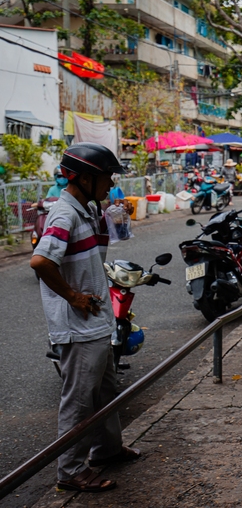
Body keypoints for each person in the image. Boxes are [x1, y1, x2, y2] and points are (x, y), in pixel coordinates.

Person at [30, 143, 141, 493]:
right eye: (106, 177)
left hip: (96, 323)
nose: (111, 183)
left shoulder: (85, 210)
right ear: (85, 178)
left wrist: (111, 212)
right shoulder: (64, 214)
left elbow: (99, 245)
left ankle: (107, 449)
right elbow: (41, 262)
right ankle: (71, 470)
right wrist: (74, 297)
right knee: (79, 400)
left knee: (106, 392)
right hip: (78, 327)